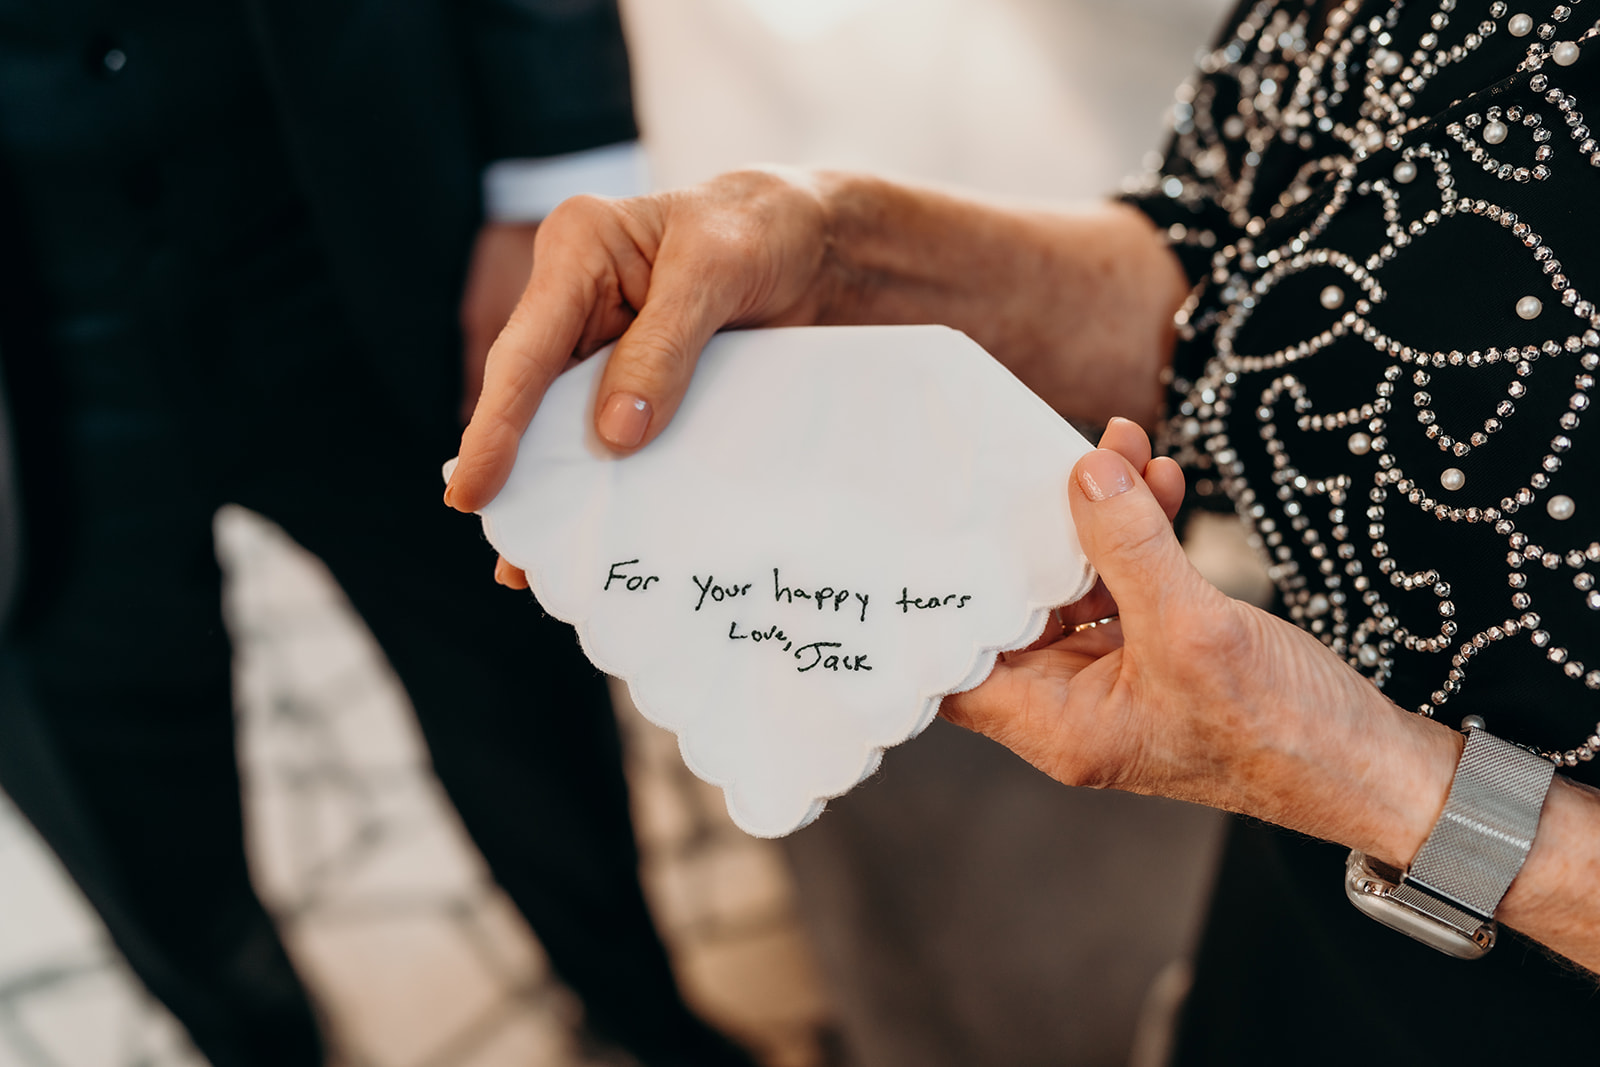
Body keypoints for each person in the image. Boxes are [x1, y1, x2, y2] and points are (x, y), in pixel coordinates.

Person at [447, 0, 1600, 1059]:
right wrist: (832, 248)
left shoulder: (1332, 766)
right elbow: (1235, 285)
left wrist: (1369, 777)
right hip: (1305, 890)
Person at [0, 2, 753, 1065]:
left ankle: (633, 1010)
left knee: (527, 709)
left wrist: (551, 172)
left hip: (369, 224)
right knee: (143, 846)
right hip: (27, 402)